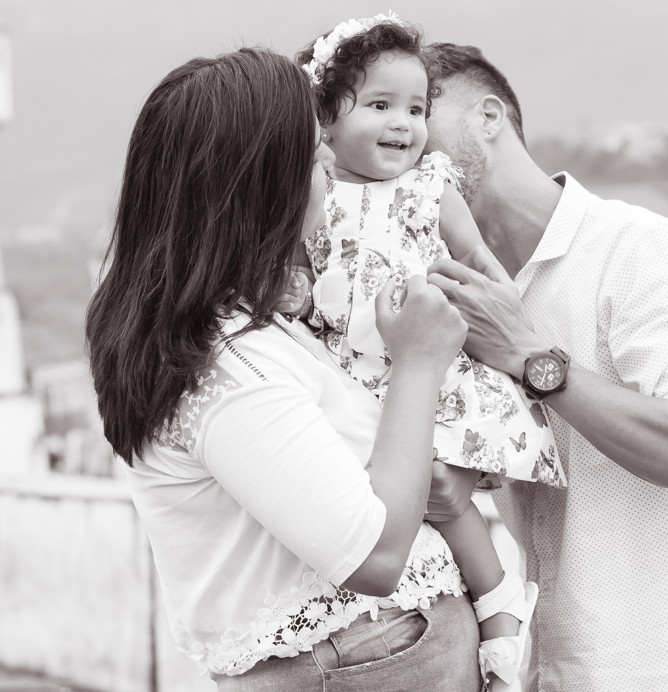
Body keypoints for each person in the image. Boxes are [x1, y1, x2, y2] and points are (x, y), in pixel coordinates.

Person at [86, 48, 482, 690]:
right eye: (315, 156)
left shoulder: (239, 330)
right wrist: (418, 362)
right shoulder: (227, 366)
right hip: (357, 663)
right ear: (263, 185)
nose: (331, 167)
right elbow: (375, 558)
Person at [421, 44, 668, 691]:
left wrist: (530, 359)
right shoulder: (454, 298)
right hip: (553, 669)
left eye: (422, 113)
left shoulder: (636, 247)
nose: (407, 138)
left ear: (489, 117)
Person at [286, 14, 564, 691]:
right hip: (350, 378)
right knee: (374, 500)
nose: (403, 124)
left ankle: (498, 605)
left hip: (433, 371)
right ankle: (427, 613)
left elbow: (475, 258)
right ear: (324, 118)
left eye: (415, 108)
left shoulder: (429, 186)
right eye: (380, 106)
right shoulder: (313, 191)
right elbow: (292, 267)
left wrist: (510, 324)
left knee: (443, 493)